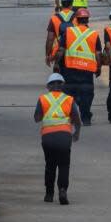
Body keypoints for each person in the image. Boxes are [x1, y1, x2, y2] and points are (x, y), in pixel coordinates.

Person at [33, 73, 81, 205]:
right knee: (64, 165)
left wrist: (46, 112)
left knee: (50, 165)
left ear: (48, 86)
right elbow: (77, 119)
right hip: (64, 137)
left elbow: (37, 118)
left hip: (48, 137)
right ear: (62, 85)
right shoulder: (69, 99)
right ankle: (63, 190)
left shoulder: (42, 99)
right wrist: (76, 134)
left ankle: (49, 194)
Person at [53, 7, 102, 126]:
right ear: (87, 20)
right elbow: (98, 54)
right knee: (87, 94)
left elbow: (61, 50)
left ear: (76, 19)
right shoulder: (93, 34)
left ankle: (71, 117)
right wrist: (99, 67)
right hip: (86, 71)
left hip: (70, 70)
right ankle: (85, 118)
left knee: (69, 95)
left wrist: (56, 64)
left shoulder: (69, 32)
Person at [45, 0, 76, 67]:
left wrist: (48, 55)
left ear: (61, 2)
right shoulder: (77, 17)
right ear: (72, 1)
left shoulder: (54, 18)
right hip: (74, 52)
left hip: (58, 54)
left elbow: (50, 39)